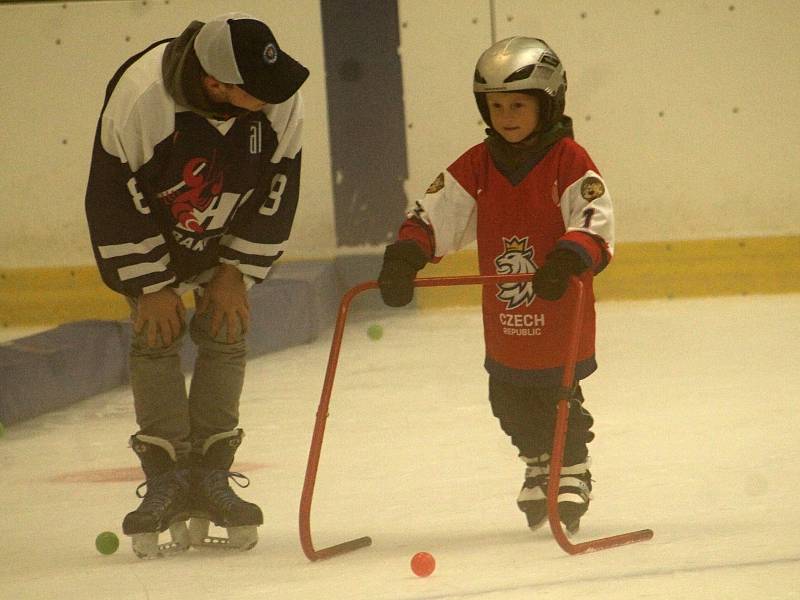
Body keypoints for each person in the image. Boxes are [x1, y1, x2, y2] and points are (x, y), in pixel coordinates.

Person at [85, 12, 309, 557]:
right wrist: (153, 285)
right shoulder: (142, 99)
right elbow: (112, 197)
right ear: (215, 83)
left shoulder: (273, 96)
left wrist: (235, 272)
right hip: (152, 227)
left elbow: (281, 181)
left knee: (226, 326)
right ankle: (166, 474)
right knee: (156, 333)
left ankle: (211, 470)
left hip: (227, 224)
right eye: (256, 92)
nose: (274, 98)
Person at [378, 37, 614, 534]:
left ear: (547, 104)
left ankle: (569, 468)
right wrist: (408, 252)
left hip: (557, 307)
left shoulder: (568, 160)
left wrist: (568, 258)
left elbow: (594, 217)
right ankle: (537, 460)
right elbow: (437, 211)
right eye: (496, 105)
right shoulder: (480, 164)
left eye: (518, 104)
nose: (506, 115)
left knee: (558, 395)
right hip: (507, 317)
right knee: (505, 397)